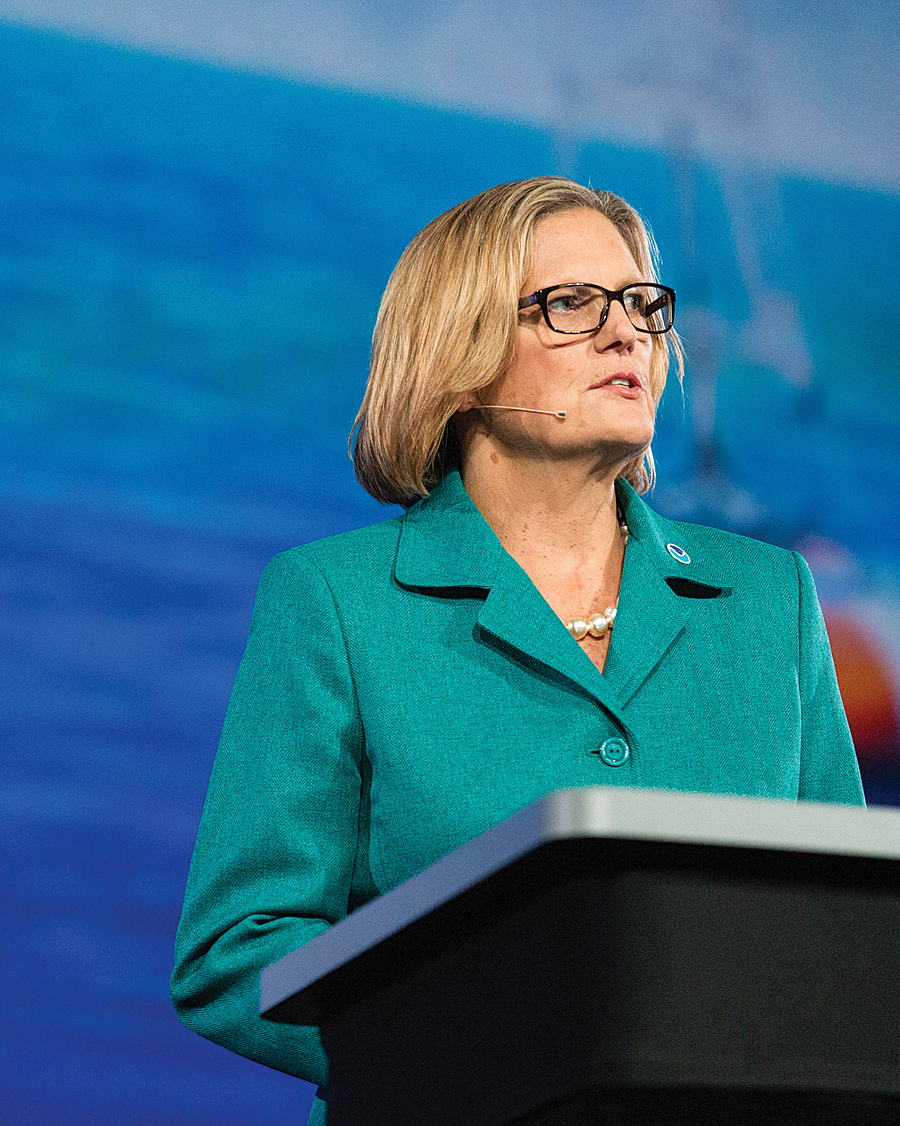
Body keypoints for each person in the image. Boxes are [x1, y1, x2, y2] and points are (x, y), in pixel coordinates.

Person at [170, 177, 864, 1124]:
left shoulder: (769, 599)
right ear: (459, 359)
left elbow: (850, 942)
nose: (628, 334)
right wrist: (480, 1050)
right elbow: (235, 954)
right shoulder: (336, 600)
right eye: (573, 305)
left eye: (642, 305)